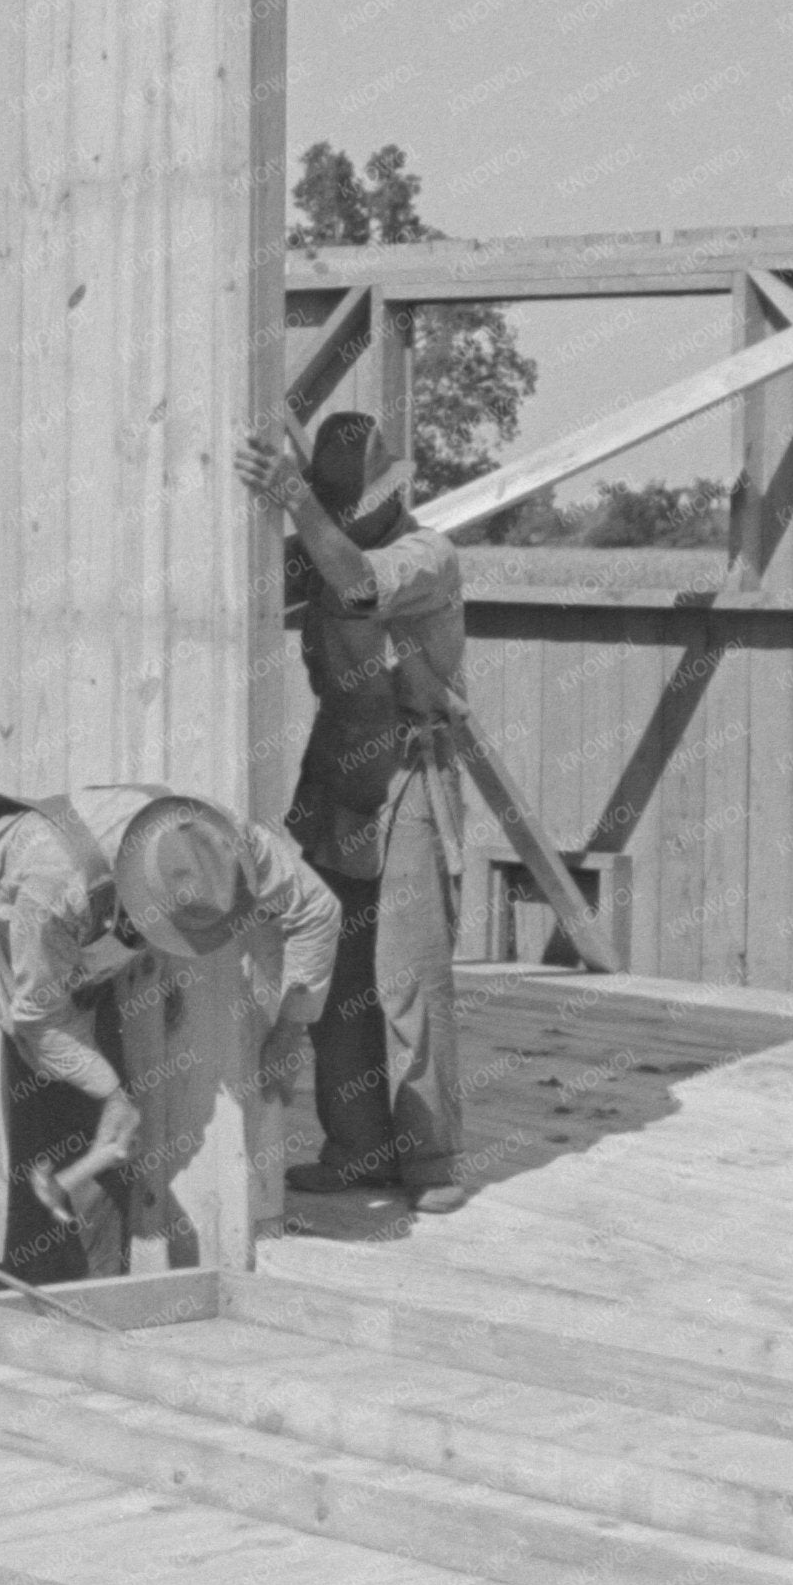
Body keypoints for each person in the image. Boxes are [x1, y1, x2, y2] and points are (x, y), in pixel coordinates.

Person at [0, 785, 341, 1300]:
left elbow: (319, 912)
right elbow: (38, 1018)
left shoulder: (227, 848)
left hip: (61, 947)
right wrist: (113, 1092)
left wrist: (291, 1029)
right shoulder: (57, 879)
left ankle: (62, 1298)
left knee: (71, 1125)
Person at [235, 409, 473, 1214]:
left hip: (408, 775)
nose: (339, 523)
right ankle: (357, 1148)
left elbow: (357, 584)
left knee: (407, 976)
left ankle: (430, 1158)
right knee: (335, 977)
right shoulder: (323, 541)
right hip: (338, 773)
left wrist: (294, 499)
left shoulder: (425, 555)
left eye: (343, 510)